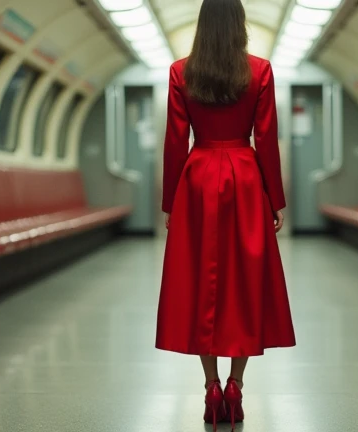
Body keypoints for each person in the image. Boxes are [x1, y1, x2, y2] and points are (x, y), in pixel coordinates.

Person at [155, 0, 296, 429]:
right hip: (246, 178)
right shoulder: (260, 70)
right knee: (243, 283)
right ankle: (236, 385)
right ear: (240, 24)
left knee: (201, 282)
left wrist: (169, 203)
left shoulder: (182, 71)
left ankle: (210, 385)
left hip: (197, 179)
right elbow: (267, 138)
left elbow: (176, 141)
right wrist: (275, 198)